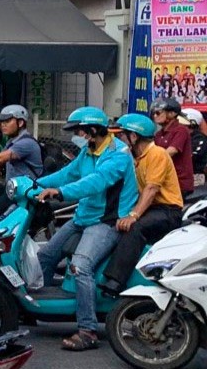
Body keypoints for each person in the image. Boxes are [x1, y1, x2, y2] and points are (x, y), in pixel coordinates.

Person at [34, 106, 138, 352]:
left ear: (92, 130)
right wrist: (34, 184)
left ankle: (87, 329)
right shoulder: (88, 152)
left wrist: (59, 193)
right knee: (46, 255)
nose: (78, 135)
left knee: (81, 267)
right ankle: (45, 309)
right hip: (83, 218)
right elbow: (67, 174)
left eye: (80, 130)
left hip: (106, 222)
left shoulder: (118, 156)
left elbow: (95, 183)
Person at [101, 113, 183, 294]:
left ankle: (115, 281)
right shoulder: (137, 158)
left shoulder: (157, 154)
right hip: (153, 209)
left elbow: (151, 189)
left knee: (134, 228)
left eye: (122, 135)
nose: (118, 139)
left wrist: (133, 216)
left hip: (168, 211)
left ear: (134, 136)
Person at [152, 98, 195, 197]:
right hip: (164, 181)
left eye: (158, 113)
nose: (155, 116)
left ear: (172, 113)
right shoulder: (158, 134)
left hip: (179, 183)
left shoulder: (181, 130)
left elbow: (171, 151)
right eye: (154, 113)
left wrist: (151, 161)